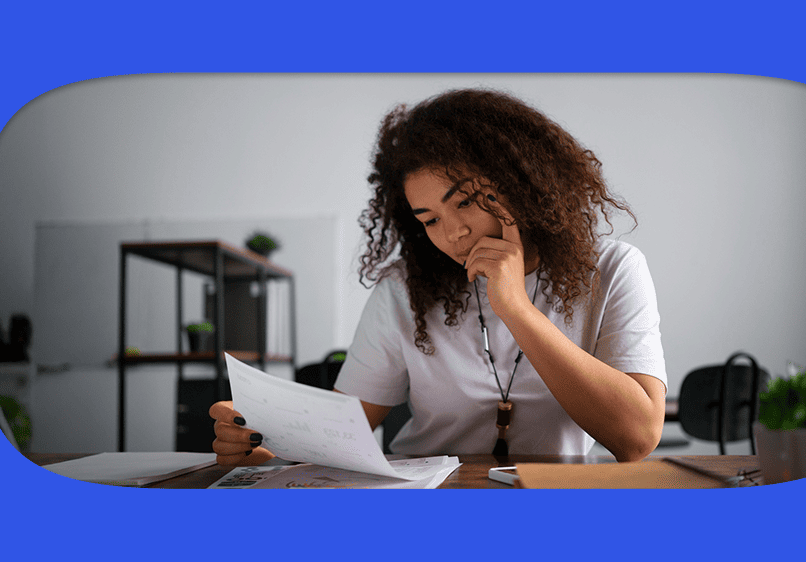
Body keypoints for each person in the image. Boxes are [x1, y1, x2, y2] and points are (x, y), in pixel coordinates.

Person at [209, 88, 667, 465]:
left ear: (520, 181)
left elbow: (636, 437)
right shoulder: (404, 288)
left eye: (465, 201)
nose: (453, 233)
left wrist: (516, 309)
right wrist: (263, 437)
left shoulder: (611, 269)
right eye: (429, 220)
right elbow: (341, 428)